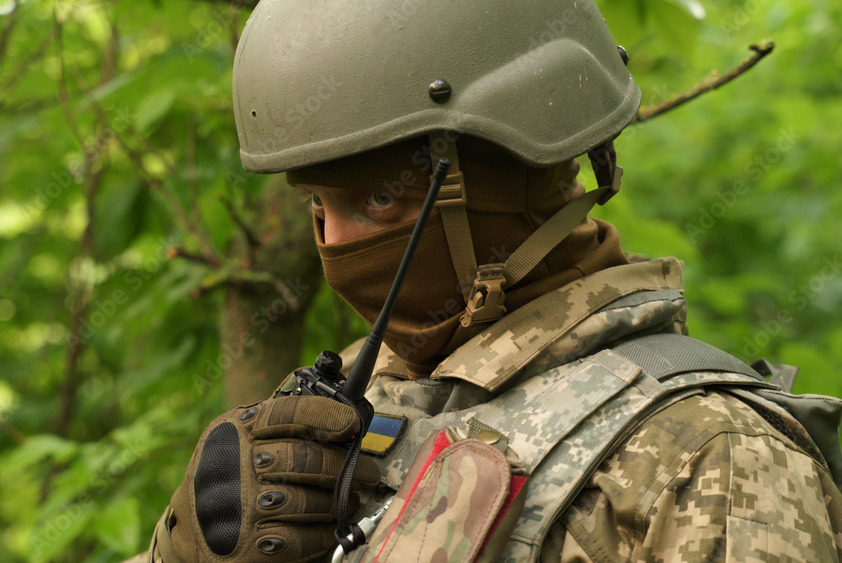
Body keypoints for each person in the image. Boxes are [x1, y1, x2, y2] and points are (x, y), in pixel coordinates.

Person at [133, 1, 842, 561]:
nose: (338, 243)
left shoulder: (707, 456)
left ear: (507, 185)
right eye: (319, 205)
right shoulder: (343, 408)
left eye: (378, 199)